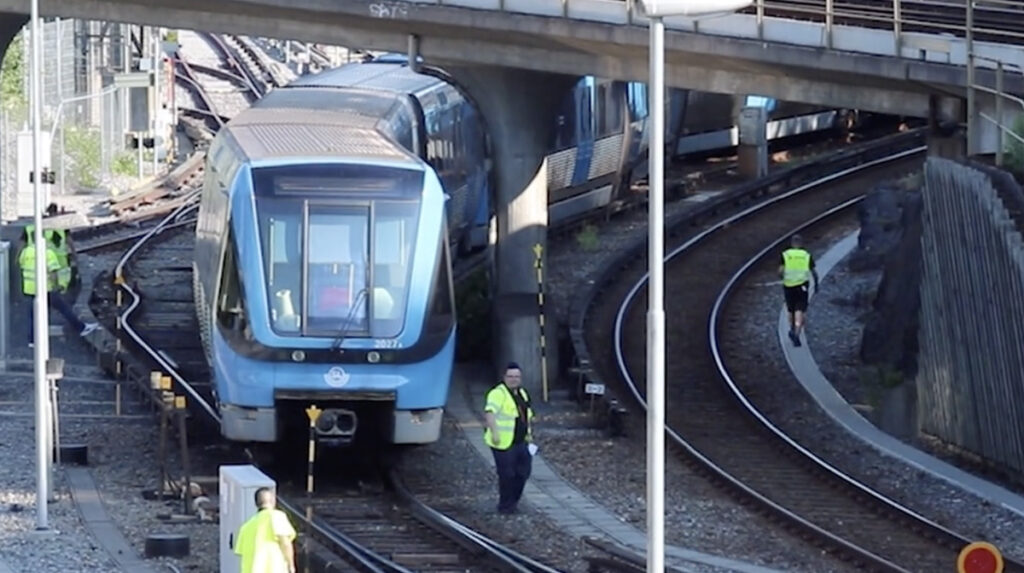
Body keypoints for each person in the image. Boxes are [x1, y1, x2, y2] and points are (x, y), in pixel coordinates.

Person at [19, 235, 99, 347]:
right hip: (45, 288)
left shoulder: (26, 252)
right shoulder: (48, 253)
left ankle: (32, 340)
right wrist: (56, 285)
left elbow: (22, 264)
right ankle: (80, 327)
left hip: (30, 288)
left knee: (33, 314)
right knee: (64, 308)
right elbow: (53, 272)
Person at [483, 362, 535, 515]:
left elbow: (526, 416)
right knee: (507, 475)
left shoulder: (522, 393)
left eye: (517, 377)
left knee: (523, 472)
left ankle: (513, 502)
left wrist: (529, 435)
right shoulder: (497, 394)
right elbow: (489, 412)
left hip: (521, 441)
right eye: (511, 376)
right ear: (504, 377)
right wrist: (495, 432)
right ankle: (505, 506)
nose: (514, 379)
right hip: (503, 442)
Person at [234, 487, 297, 573]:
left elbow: (242, 553)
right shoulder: (277, 516)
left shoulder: (246, 527)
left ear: (256, 504)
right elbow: (285, 543)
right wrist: (291, 566)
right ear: (273, 501)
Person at [779, 234, 819, 347]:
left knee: (790, 309)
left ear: (792, 244)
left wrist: (782, 278)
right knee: (800, 309)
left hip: (788, 285)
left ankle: (792, 328)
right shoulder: (806, 255)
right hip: (802, 286)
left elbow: (781, 271)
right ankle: (796, 332)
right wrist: (816, 285)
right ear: (801, 244)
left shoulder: (785, 255)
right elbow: (814, 272)